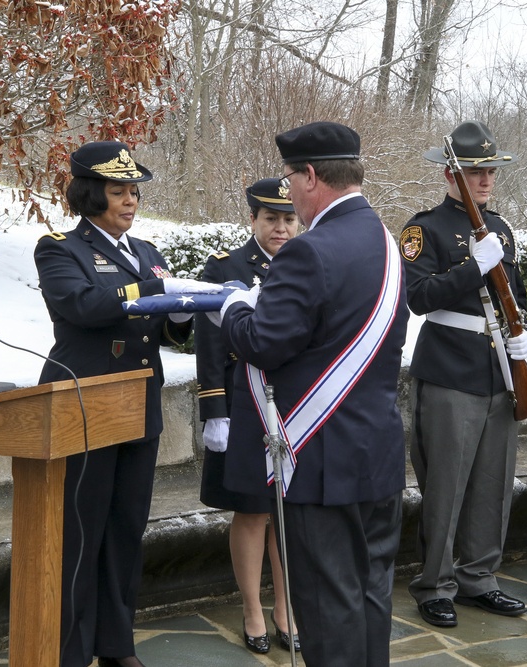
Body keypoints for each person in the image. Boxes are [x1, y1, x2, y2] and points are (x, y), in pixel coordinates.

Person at [215, 121, 409, 666]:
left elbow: (261, 341)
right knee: (371, 597)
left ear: (310, 175)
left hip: (322, 462)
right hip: (377, 455)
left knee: (328, 611)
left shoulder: (309, 252)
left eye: (291, 178)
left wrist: (233, 305)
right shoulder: (386, 241)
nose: (290, 191)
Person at [34, 141, 221, 667]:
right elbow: (84, 306)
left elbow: (161, 327)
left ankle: (116, 646)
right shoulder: (59, 249)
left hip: (137, 403)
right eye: (119, 191)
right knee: (81, 532)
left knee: (124, 530)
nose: (130, 201)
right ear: (91, 193)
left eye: (134, 192)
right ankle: (70, 650)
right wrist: (151, 290)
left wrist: (182, 312)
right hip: (84, 402)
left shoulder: (145, 252)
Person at [399, 120, 527, 627]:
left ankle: (480, 577)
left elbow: (512, 293)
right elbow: (418, 298)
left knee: (493, 483)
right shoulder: (425, 228)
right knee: (447, 485)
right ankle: (434, 583)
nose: (485, 180)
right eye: (475, 171)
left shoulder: (500, 227)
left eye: (490, 171)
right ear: (451, 175)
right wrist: (471, 267)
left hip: (498, 366)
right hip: (451, 367)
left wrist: (523, 334)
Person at [194, 178, 300, 654]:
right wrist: (215, 409)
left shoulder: (307, 262)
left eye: (288, 218)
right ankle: (253, 608)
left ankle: (286, 605)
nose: (281, 227)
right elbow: (209, 344)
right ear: (252, 219)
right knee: (254, 511)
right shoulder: (225, 268)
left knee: (289, 511)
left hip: (297, 405)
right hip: (244, 404)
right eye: (271, 218)